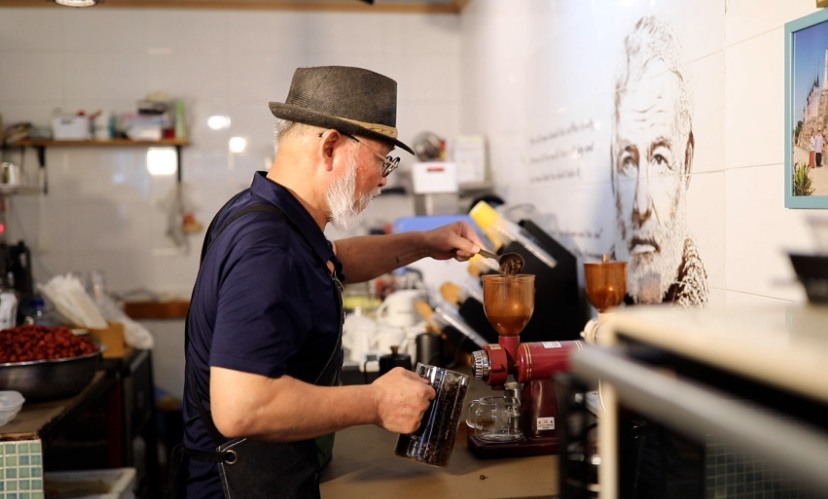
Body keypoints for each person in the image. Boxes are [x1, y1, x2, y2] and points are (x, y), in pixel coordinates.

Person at [175, 66, 484, 499]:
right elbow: (242, 408)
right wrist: (375, 402)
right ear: (331, 146)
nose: (384, 178)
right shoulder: (267, 250)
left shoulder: (265, 212)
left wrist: (425, 242)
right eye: (382, 160)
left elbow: (333, 261)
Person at [610, 16, 708, 307]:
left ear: (686, 162)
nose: (641, 206)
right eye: (628, 162)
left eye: (659, 159)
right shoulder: (603, 310)